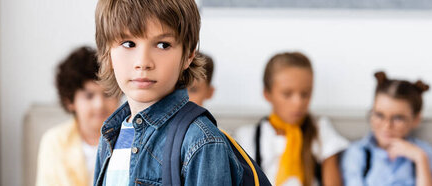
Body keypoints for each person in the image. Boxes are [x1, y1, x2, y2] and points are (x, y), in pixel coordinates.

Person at [92, 0, 266, 185]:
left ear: (188, 55)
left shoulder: (201, 140)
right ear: (107, 53)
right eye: (128, 43)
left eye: (162, 45)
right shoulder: (112, 133)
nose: (143, 62)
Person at [235, 52, 349, 186]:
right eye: (287, 94)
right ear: (267, 94)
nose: (298, 103)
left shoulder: (321, 132)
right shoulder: (247, 137)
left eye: (305, 94)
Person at [36, 46, 120, 186]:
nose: (99, 104)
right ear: (70, 101)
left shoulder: (132, 138)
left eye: (107, 94)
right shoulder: (54, 142)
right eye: (89, 96)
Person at [341, 71, 432, 186]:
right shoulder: (358, 152)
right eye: (379, 115)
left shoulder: (425, 153)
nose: (387, 126)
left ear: (416, 119)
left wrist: (420, 159)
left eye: (398, 118)